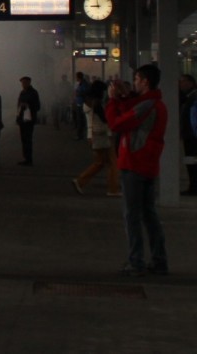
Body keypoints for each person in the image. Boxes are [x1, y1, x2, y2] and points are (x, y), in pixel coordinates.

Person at [106, 63, 168, 276]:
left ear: (145, 81)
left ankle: (136, 261)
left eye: (136, 80)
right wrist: (124, 97)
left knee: (131, 216)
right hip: (148, 165)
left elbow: (117, 124)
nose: (134, 83)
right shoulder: (156, 104)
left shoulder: (147, 106)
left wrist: (113, 100)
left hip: (134, 163)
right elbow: (133, 109)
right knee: (149, 214)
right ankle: (159, 260)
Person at [71, 81, 119, 196]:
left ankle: (80, 181)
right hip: (102, 135)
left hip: (94, 135)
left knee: (100, 162)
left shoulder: (88, 102)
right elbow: (105, 119)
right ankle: (113, 189)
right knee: (112, 163)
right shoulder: (96, 103)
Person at [15, 76, 41, 165]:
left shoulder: (33, 93)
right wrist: (18, 118)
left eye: (24, 83)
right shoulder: (22, 92)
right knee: (24, 139)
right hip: (22, 119)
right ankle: (26, 158)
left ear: (29, 83)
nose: (23, 84)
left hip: (29, 119)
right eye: (22, 83)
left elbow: (37, 106)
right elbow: (18, 106)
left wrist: (28, 105)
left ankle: (29, 159)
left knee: (27, 139)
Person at [180, 73, 197, 196]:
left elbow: (193, 118)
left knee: (192, 161)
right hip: (189, 135)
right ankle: (193, 185)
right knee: (190, 161)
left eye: (183, 81)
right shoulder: (188, 97)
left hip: (192, 136)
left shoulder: (193, 98)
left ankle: (194, 186)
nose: (181, 84)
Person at [73, 71, 89, 140]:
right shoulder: (80, 84)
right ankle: (81, 134)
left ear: (78, 77)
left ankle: (80, 135)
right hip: (79, 103)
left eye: (76, 77)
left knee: (81, 120)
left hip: (81, 103)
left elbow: (85, 92)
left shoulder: (83, 84)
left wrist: (78, 93)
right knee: (80, 120)